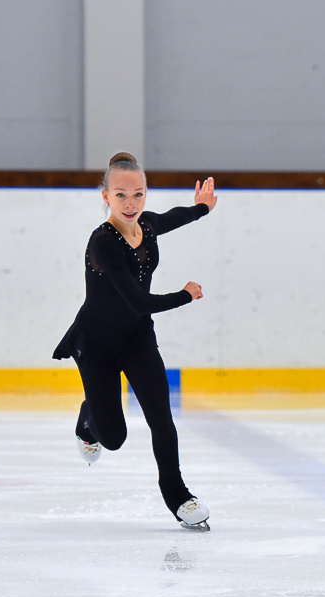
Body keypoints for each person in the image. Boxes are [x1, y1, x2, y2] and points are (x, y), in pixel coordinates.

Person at [53, 152, 218, 530]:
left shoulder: (147, 224)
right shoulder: (102, 243)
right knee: (113, 438)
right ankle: (89, 419)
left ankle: (178, 496)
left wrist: (201, 208)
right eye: (121, 195)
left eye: (138, 194)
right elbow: (139, 301)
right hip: (95, 344)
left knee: (161, 416)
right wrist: (185, 295)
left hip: (136, 337)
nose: (131, 204)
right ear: (105, 196)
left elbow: (172, 218)